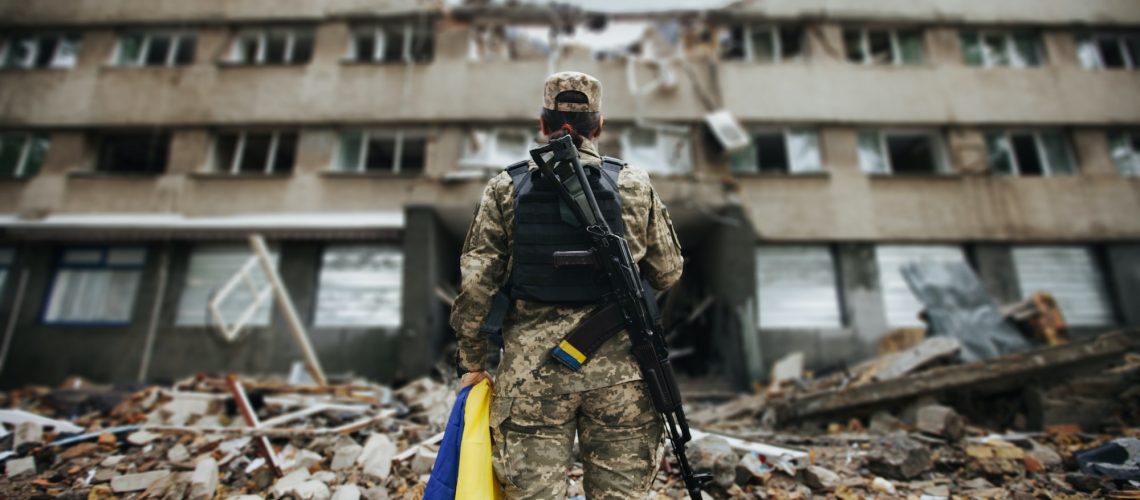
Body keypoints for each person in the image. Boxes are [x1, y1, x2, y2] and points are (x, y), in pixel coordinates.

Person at [450, 71, 684, 499]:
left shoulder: (506, 187)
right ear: (600, 125)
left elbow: (477, 284)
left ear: (543, 124)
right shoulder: (634, 183)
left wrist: (472, 363)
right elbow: (667, 273)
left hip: (532, 378)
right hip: (622, 377)